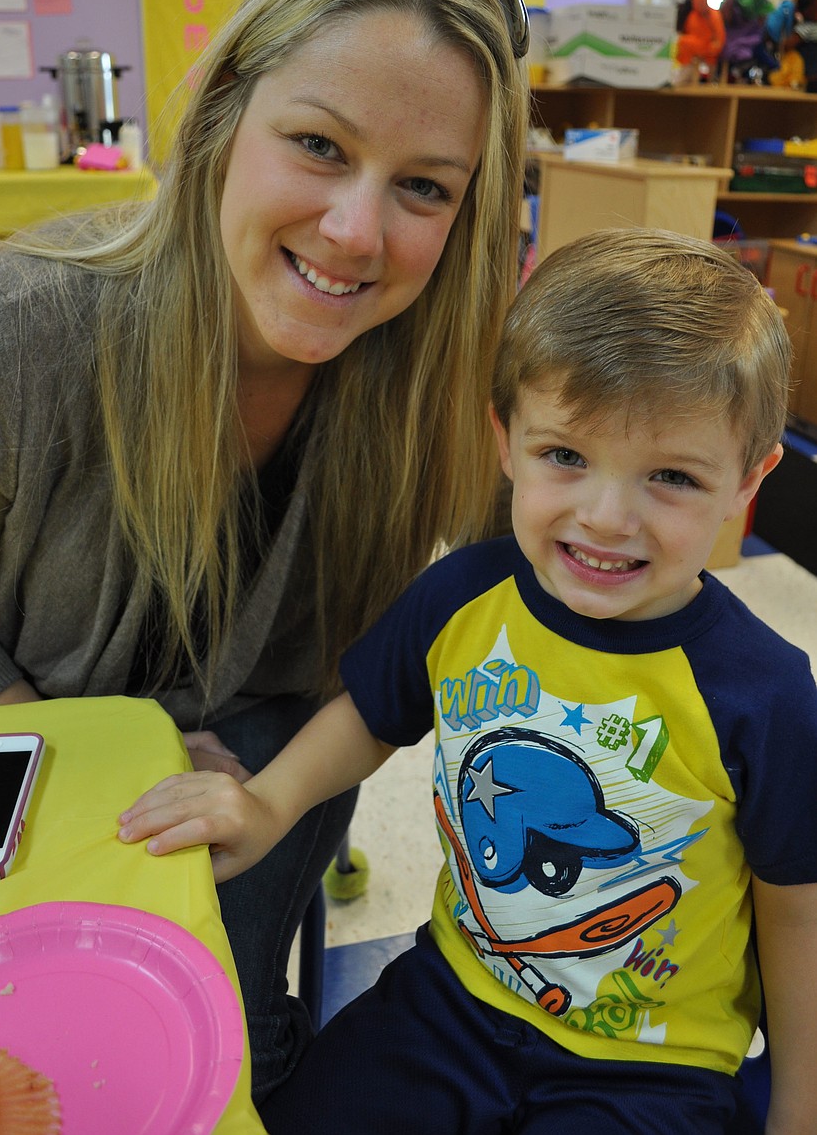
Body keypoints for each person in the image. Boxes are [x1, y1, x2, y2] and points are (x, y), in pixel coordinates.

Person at [0, 0, 530, 1100]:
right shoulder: (17, 332)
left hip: (274, 746)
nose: (355, 232)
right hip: (20, 736)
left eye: (424, 187)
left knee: (223, 1019)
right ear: (225, 108)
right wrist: (99, 758)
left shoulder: (451, 380)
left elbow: (555, 582)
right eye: (319, 145)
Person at [120, 227, 817, 1134]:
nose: (607, 517)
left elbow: (796, 911)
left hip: (651, 1069)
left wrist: (799, 1103)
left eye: (672, 476)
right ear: (506, 440)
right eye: (566, 455)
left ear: (749, 481)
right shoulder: (464, 595)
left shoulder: (767, 692)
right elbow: (371, 713)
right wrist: (266, 803)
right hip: (451, 1001)